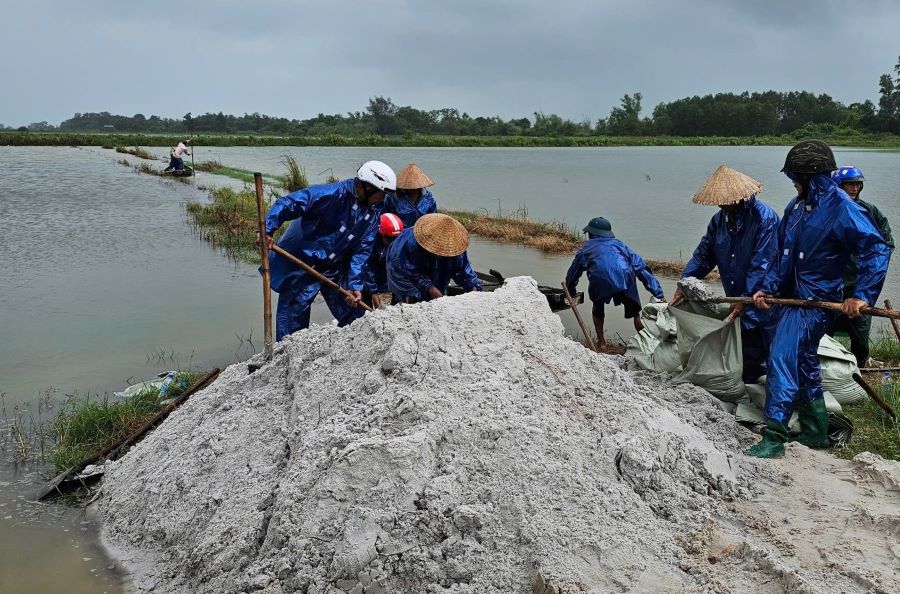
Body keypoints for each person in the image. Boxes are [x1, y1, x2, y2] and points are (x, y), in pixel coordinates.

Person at [747, 140, 890, 458]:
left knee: (782, 358)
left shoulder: (842, 209)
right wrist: (768, 289)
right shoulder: (795, 208)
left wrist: (861, 295)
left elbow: (876, 248)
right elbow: (781, 255)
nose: (793, 183)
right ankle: (815, 431)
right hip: (793, 299)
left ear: (814, 176)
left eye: (796, 177)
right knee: (805, 363)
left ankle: (774, 435)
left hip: (817, 303)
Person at [258, 160, 396, 340]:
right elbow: (289, 203)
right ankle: (287, 355)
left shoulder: (373, 213)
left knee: (354, 314)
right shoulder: (331, 194)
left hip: (332, 267)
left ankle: (356, 348)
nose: (383, 199)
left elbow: (361, 251)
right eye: (381, 193)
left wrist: (355, 285)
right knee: (293, 324)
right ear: (367, 187)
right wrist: (267, 230)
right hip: (302, 264)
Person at [670, 166, 780, 384]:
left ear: (739, 197)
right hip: (737, 297)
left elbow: (762, 264)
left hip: (763, 298)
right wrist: (685, 282)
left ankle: (773, 394)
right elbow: (703, 256)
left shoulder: (764, 219)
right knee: (745, 349)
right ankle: (748, 390)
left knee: (768, 348)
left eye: (724, 200)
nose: (721, 204)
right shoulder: (719, 221)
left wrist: (745, 297)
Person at [827, 165, 895, 366]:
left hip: (859, 284)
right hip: (830, 285)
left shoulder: (869, 211)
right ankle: (826, 371)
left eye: (857, 184)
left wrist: (869, 262)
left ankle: (861, 366)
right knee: (823, 332)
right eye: (849, 184)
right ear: (838, 186)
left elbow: (886, 244)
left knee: (860, 331)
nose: (854, 188)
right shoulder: (826, 212)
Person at [565, 217, 665, 350]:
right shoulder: (620, 245)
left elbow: (574, 272)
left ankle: (602, 344)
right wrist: (658, 294)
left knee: (598, 307)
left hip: (601, 278)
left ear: (592, 233)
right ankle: (648, 341)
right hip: (626, 276)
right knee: (635, 312)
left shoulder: (586, 248)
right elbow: (641, 268)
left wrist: (570, 291)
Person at [386, 213, 481, 303]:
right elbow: (409, 271)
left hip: (434, 269)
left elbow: (462, 270)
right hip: (402, 273)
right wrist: (429, 287)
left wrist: (473, 287)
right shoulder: (409, 245)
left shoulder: (455, 247)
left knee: (438, 295)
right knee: (411, 298)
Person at [362, 213, 405, 309]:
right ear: (381, 235)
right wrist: (374, 295)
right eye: (390, 239)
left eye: (396, 239)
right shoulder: (369, 242)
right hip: (371, 272)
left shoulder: (400, 243)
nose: (393, 243)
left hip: (386, 273)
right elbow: (367, 269)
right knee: (365, 297)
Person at [386, 163, 438, 228]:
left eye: (414, 188)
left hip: (421, 233)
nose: (412, 189)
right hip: (402, 234)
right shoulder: (394, 198)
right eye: (409, 187)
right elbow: (388, 218)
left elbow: (433, 219)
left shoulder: (428, 199)